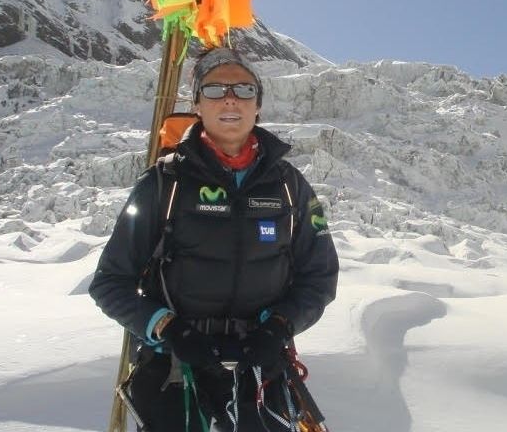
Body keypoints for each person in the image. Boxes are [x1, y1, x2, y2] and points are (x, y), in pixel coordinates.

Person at [89, 47, 339, 432]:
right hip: (176, 372)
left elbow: (319, 277)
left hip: (261, 373)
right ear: (197, 104)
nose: (229, 99)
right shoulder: (163, 184)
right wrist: (167, 328)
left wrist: (280, 326)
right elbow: (110, 282)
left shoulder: (291, 186)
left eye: (243, 90)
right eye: (215, 89)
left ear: (258, 106)